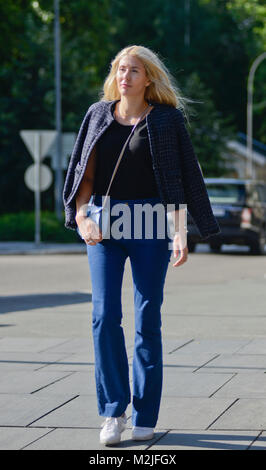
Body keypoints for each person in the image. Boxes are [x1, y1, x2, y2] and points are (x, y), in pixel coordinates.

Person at [63, 45, 220, 446]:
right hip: (104, 222)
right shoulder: (98, 114)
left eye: (133, 70)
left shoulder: (167, 120)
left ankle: (145, 414)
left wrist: (181, 231)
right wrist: (82, 216)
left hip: (150, 221)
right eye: (119, 69)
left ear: (148, 77)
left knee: (147, 319)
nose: (124, 76)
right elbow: (83, 173)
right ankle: (113, 412)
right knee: (103, 316)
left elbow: (183, 177)